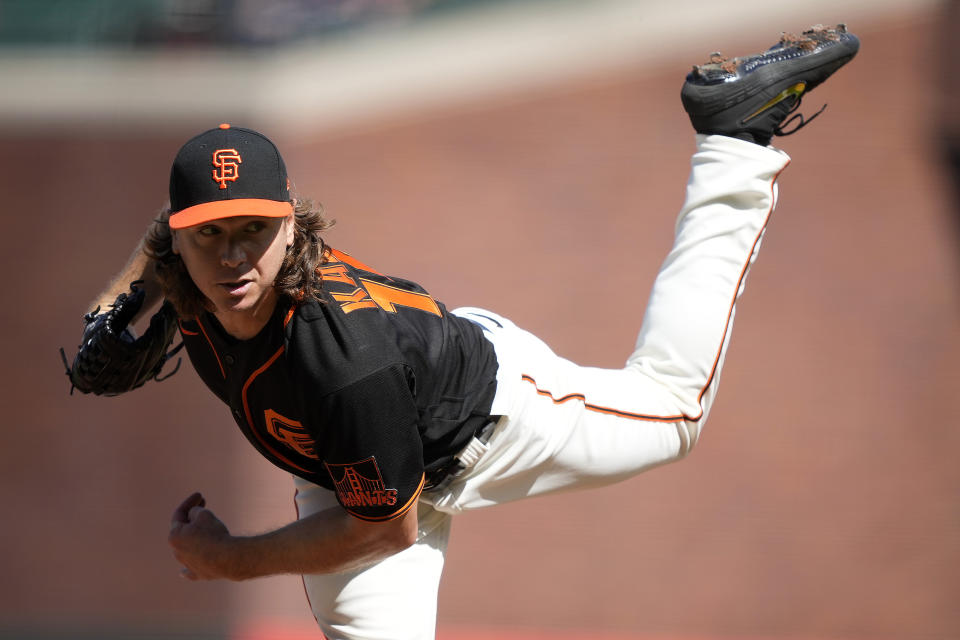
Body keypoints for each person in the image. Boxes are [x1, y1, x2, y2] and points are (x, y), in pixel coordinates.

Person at [66, 24, 859, 640]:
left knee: (675, 411)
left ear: (289, 224)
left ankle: (734, 141)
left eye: (253, 229)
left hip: (483, 419)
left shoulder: (341, 353)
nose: (234, 254)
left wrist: (230, 561)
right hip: (346, 462)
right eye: (210, 234)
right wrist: (115, 302)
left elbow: (385, 528)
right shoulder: (183, 268)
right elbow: (158, 239)